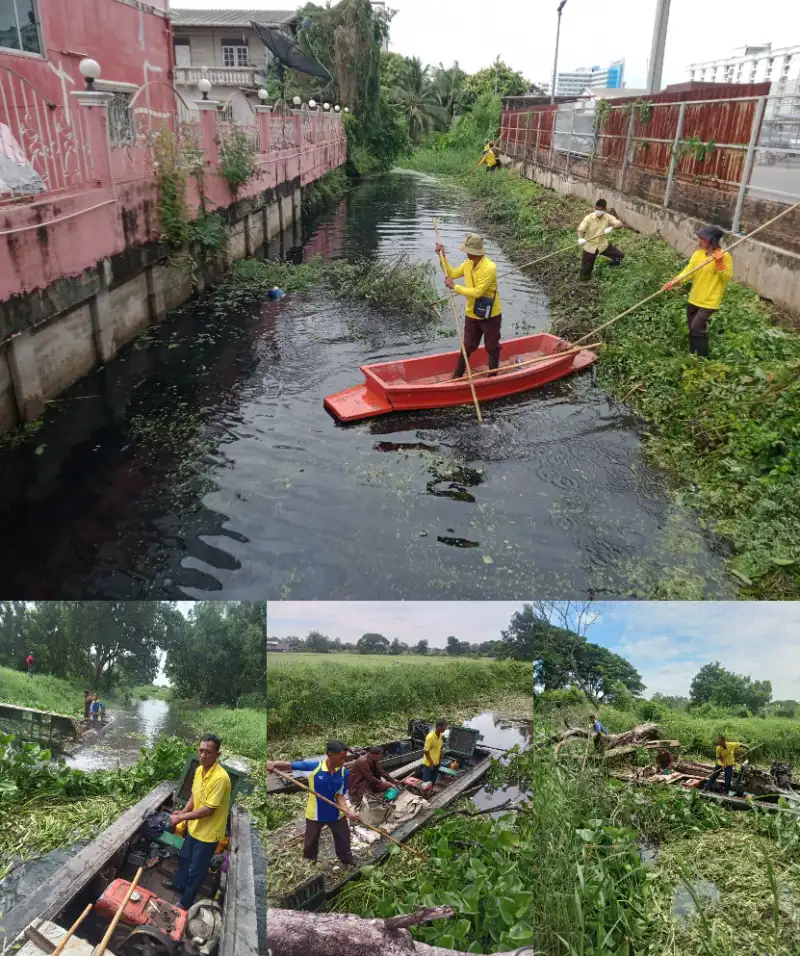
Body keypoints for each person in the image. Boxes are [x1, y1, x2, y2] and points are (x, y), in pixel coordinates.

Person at [164, 734, 231, 911]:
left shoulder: (221, 778)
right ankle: (178, 885)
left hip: (208, 834)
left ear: (218, 754)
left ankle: (186, 902)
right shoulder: (200, 770)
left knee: (197, 870)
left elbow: (209, 810)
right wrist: (185, 811)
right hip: (194, 828)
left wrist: (180, 818)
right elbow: (195, 795)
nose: (203, 755)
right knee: (184, 860)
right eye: (201, 751)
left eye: (208, 752)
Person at [267, 740, 358, 866]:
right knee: (310, 844)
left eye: (345, 758)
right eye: (341, 757)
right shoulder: (313, 767)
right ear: (330, 755)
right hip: (315, 815)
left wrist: (346, 811)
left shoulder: (344, 773)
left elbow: (340, 795)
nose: (344, 761)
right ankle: (309, 867)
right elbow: (289, 765)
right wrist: (273, 763)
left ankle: (348, 863)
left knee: (344, 840)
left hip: (336, 815)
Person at [435, 235, 503, 379]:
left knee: (492, 346)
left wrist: (455, 287)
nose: (466, 252)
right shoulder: (467, 263)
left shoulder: (489, 267)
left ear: (475, 251)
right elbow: (452, 273)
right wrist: (442, 257)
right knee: (467, 346)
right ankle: (457, 376)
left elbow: (478, 292)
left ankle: (493, 376)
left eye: (468, 250)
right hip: (472, 312)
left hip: (490, 314)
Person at [662, 224, 733, 358]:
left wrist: (719, 263)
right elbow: (688, 272)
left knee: (696, 327)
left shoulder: (724, 256)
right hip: (694, 298)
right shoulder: (698, 254)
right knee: (692, 328)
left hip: (709, 301)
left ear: (711, 240)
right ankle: (693, 353)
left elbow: (727, 277)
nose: (699, 241)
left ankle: (703, 358)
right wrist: (673, 282)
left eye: (702, 238)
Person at [578, 199, 625, 281]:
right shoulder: (588, 218)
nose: (598, 211)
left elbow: (620, 224)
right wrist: (580, 238)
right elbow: (580, 230)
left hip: (603, 245)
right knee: (585, 270)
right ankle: (584, 281)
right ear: (594, 208)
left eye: (601, 210)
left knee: (619, 256)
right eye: (597, 209)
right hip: (590, 247)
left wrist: (611, 227)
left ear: (604, 210)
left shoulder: (607, 217)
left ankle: (611, 267)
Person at [422, 719, 448, 785]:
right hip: (429, 764)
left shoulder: (441, 735)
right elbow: (426, 751)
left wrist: (441, 753)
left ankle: (431, 792)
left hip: (437, 762)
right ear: (439, 727)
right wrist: (431, 763)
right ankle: (425, 794)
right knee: (426, 783)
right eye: (444, 727)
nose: (445, 728)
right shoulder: (430, 737)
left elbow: (440, 746)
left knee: (433, 780)